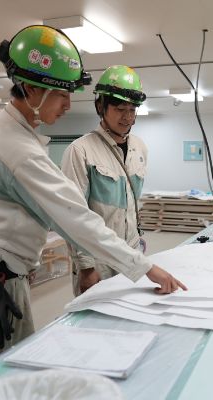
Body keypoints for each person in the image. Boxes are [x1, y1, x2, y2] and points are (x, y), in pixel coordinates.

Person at [0, 25, 186, 367]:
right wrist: (146, 268)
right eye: (61, 94)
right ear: (31, 89)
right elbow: (76, 218)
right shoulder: (23, 151)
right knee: (11, 373)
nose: (69, 104)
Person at [61, 65, 149, 296]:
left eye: (132, 110)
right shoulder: (80, 150)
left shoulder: (139, 148)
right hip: (98, 259)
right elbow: (72, 213)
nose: (128, 117)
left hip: (131, 253)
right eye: (120, 109)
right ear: (100, 106)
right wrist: (86, 267)